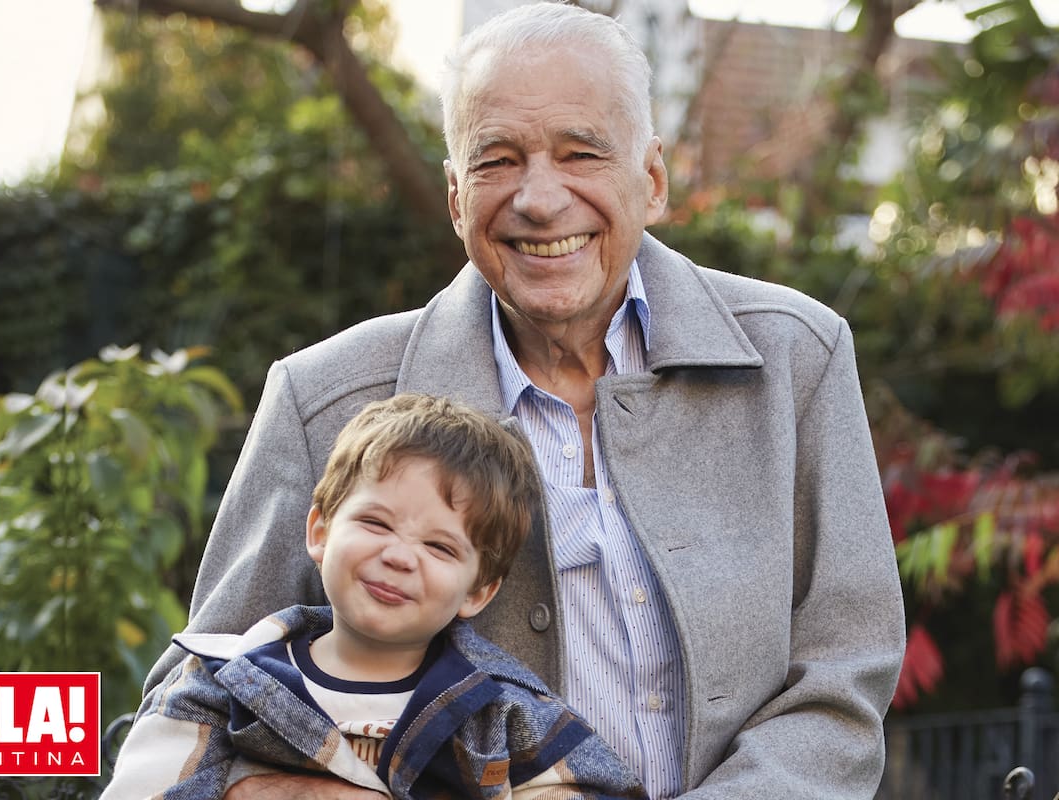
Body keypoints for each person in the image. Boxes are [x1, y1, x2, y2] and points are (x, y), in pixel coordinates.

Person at [131, 3, 906, 798]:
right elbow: (196, 699)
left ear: (653, 178)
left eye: (581, 152)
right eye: (497, 160)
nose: (539, 199)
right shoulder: (324, 398)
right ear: (457, 196)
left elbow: (842, 676)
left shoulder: (795, 356)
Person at [102, 394, 646, 799]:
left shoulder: (502, 714)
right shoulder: (222, 684)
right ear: (320, 530)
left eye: (438, 546)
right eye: (375, 523)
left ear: (478, 591)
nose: (400, 556)